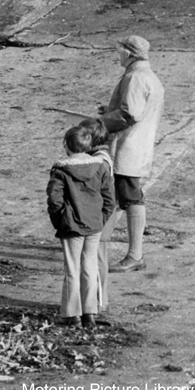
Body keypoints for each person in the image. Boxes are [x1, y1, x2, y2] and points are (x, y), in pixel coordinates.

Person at [97, 35, 164, 273]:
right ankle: (99, 242)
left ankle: (135, 254)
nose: (118, 54)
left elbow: (129, 115)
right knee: (121, 196)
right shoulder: (149, 77)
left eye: (120, 50)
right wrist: (111, 109)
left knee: (130, 197)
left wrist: (100, 121)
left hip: (129, 148)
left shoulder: (135, 78)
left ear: (129, 53)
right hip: (138, 145)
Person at [47, 126, 115, 328]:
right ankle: (90, 312)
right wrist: (100, 220)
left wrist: (60, 220)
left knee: (72, 269)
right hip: (94, 225)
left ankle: (71, 313)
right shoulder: (101, 166)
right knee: (89, 266)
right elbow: (109, 199)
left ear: (66, 145)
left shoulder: (61, 170)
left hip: (71, 225)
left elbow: (54, 199)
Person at [78, 118, 115, 314]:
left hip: (99, 217)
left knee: (97, 258)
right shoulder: (104, 156)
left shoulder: (99, 161)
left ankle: (100, 301)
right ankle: (96, 300)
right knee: (96, 257)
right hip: (100, 216)